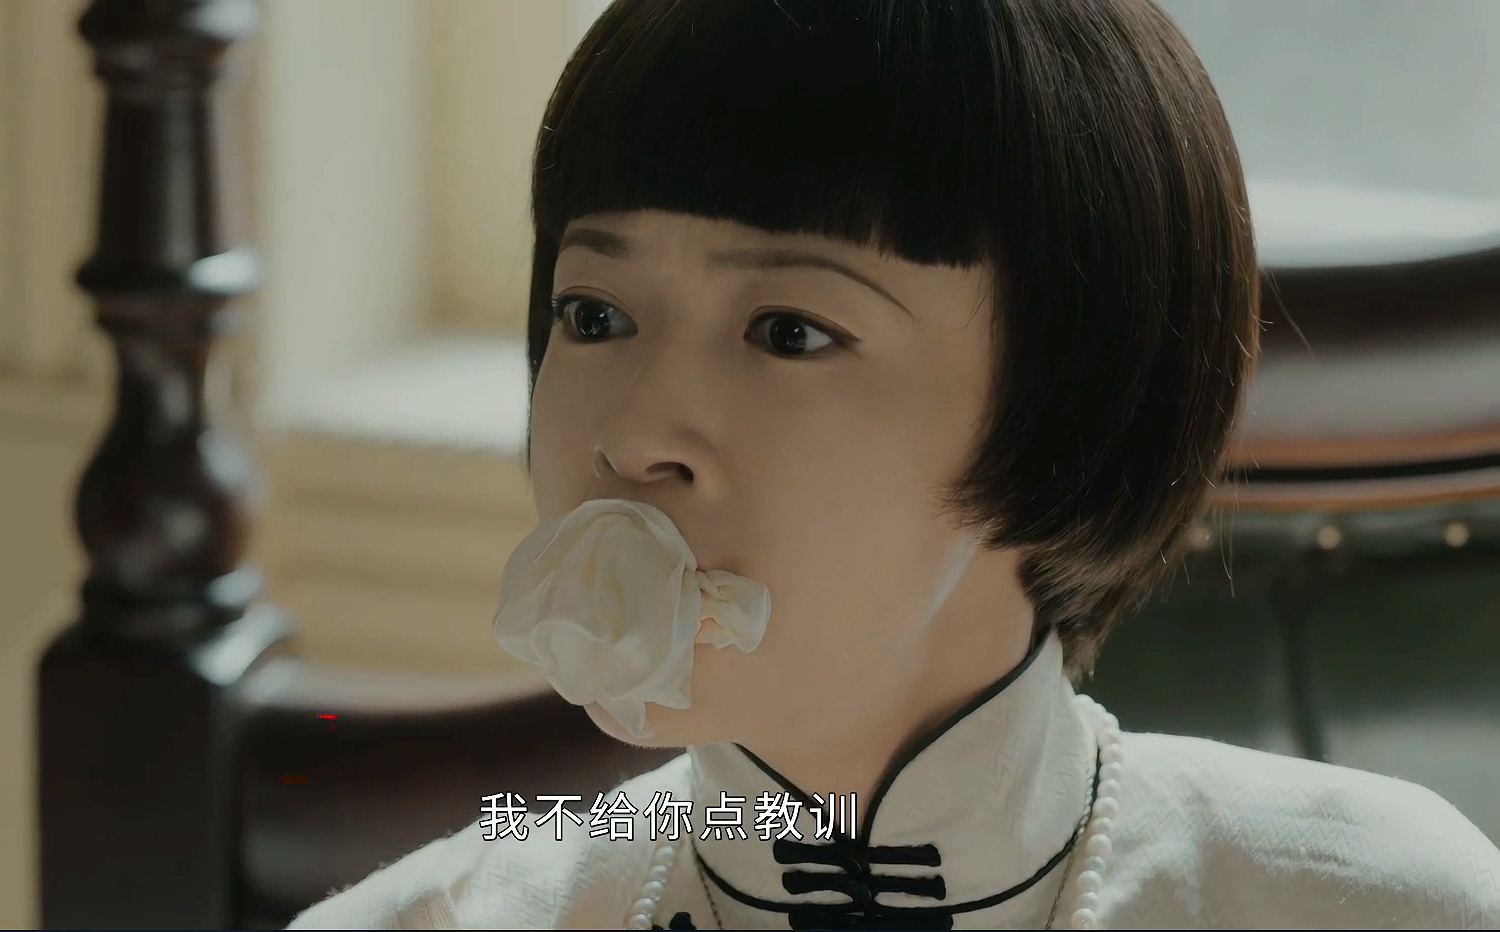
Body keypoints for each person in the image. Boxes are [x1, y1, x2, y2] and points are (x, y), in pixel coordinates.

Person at [289, 0, 1500, 928]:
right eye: (593, 314)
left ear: (1064, 396)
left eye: (787, 330)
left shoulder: (1373, 903)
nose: (634, 432)